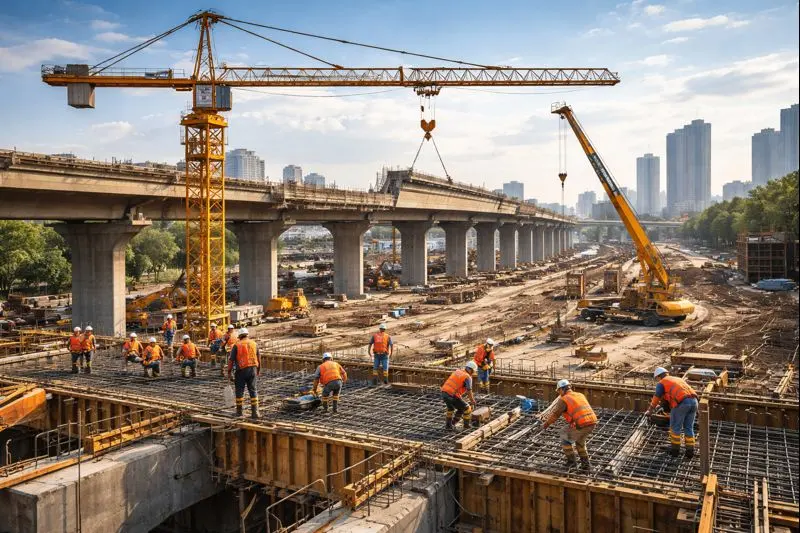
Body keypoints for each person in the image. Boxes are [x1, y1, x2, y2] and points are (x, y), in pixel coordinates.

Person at [541, 379, 597, 470]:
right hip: (592, 423)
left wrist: (546, 424)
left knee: (564, 436)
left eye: (559, 391)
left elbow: (555, 415)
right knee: (580, 442)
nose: (559, 393)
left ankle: (572, 463)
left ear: (562, 389)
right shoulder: (580, 395)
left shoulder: (564, 399)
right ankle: (586, 466)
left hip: (581, 424)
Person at [645, 367, 698, 458]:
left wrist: (650, 410)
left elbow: (657, 396)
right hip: (694, 402)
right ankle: (690, 451)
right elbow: (670, 396)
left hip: (682, 403)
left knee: (675, 428)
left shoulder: (662, 383)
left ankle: (675, 452)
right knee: (689, 427)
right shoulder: (677, 379)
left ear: (658, 377)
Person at [227, 328, 260, 419]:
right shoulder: (254, 344)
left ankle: (239, 412)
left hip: (241, 371)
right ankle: (255, 413)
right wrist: (258, 370)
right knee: (253, 390)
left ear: (240, 336)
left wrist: (229, 372)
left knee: (239, 391)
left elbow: (231, 360)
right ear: (247, 335)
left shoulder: (236, 345)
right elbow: (259, 357)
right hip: (253, 369)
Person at [441, 361, 479, 430]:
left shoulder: (457, 371)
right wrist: (472, 401)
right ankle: (466, 426)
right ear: (470, 370)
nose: (473, 373)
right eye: (473, 371)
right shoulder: (467, 377)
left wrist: (460, 398)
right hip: (452, 395)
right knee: (467, 408)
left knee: (452, 408)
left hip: (444, 393)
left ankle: (449, 425)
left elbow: (455, 386)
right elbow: (469, 390)